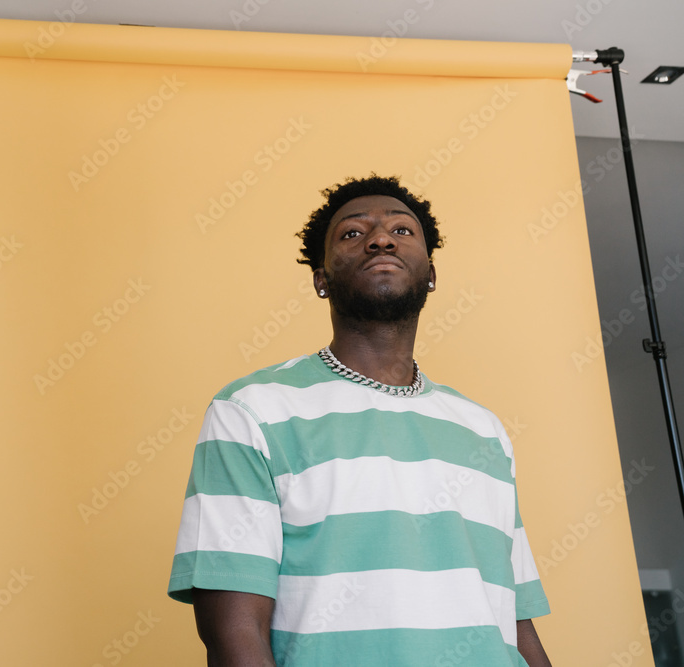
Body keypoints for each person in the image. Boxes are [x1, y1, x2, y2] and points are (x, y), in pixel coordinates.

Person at [167, 175, 551, 666]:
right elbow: (233, 631)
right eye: (353, 233)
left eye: (402, 230)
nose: (381, 239)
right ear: (321, 279)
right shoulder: (251, 410)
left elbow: (515, 620)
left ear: (431, 273)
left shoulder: (484, 430)